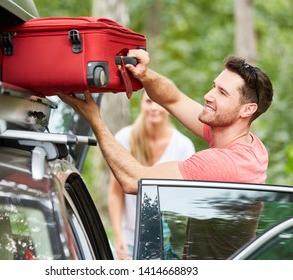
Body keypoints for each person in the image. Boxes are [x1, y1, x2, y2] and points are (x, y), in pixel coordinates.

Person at [57, 49, 274, 195]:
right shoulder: (249, 144)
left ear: (248, 110)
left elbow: (134, 180)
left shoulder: (225, 164)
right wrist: (144, 74)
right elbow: (174, 98)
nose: (208, 95)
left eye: (222, 93)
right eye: (213, 86)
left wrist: (95, 119)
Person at [108, 90, 195, 259]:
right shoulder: (125, 138)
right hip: (130, 241)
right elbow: (115, 193)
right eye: (148, 102)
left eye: (160, 103)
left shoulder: (183, 145)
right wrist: (118, 237)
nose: (154, 107)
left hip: (168, 243)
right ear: (141, 104)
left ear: (169, 107)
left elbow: (187, 202)